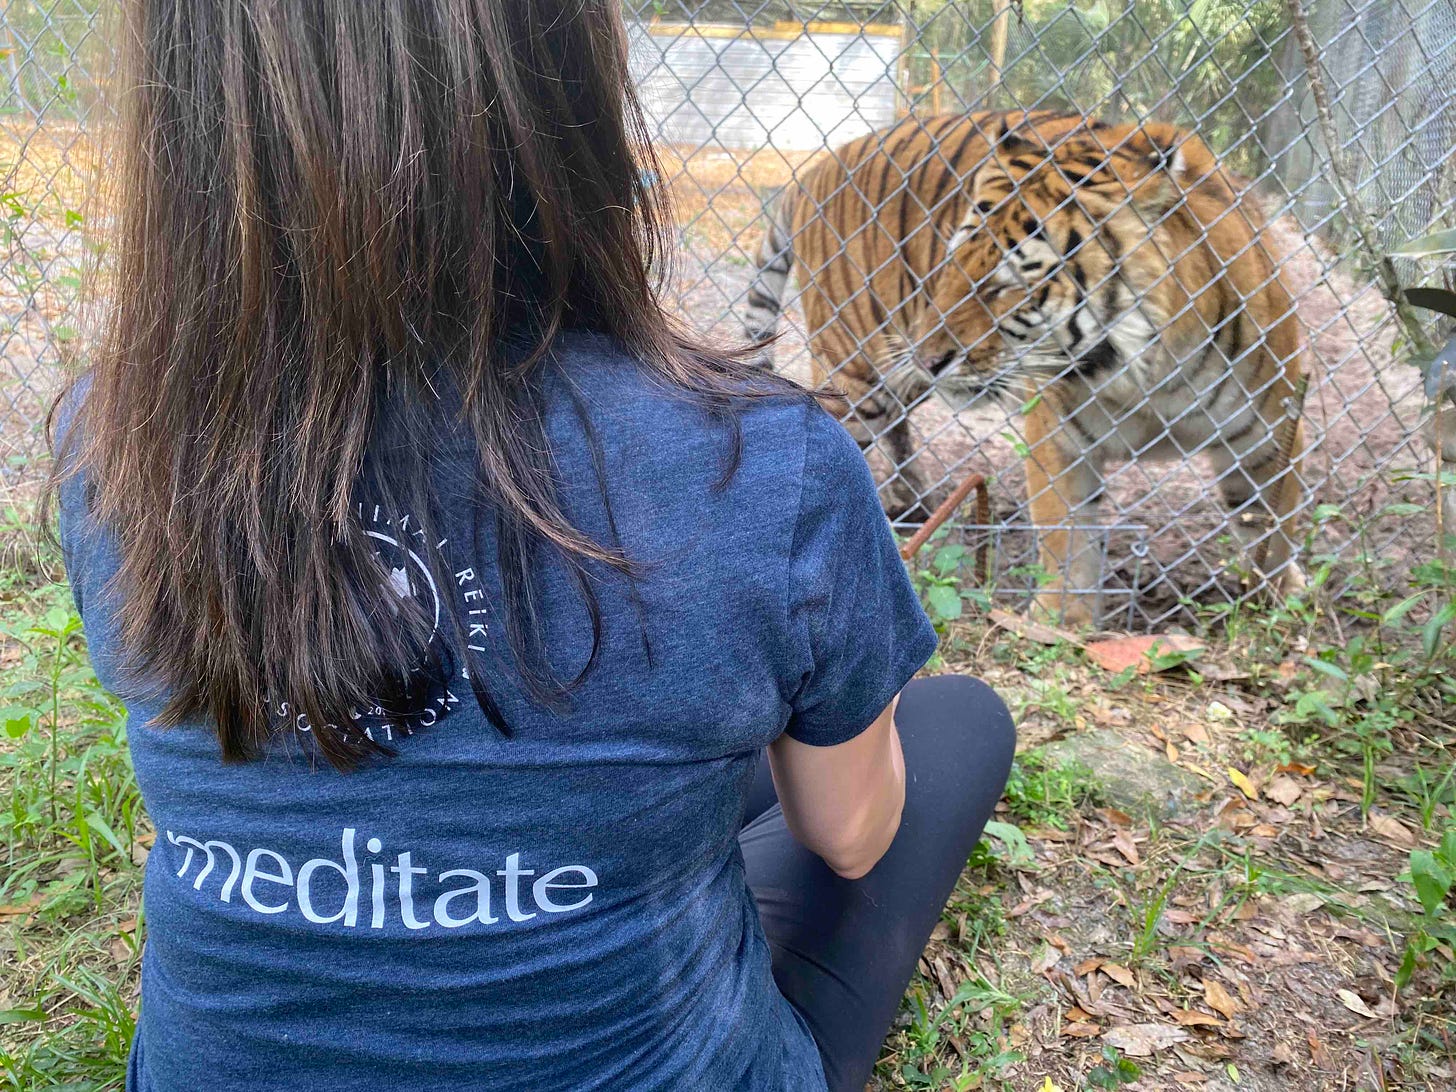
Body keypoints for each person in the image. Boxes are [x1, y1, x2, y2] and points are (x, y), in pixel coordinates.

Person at [49, 2, 1015, 1090]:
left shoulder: (110, 442)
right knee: (956, 721)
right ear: (565, 84)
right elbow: (848, 836)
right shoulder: (764, 461)